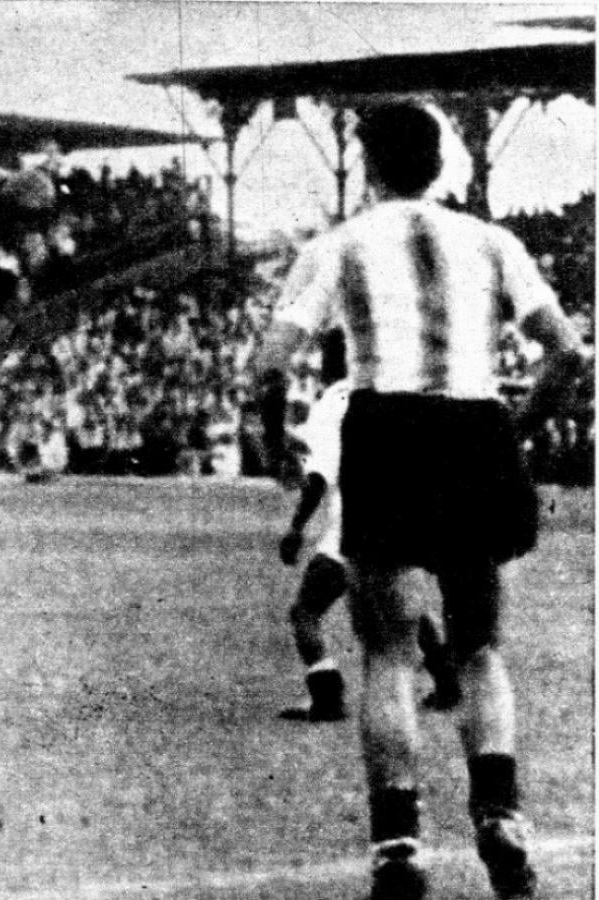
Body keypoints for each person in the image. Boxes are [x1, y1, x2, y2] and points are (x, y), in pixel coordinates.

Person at [253, 103, 584, 900]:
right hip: (473, 427)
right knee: (477, 647)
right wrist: (516, 429)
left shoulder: (338, 245)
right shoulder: (493, 242)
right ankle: (498, 812)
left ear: (368, 166)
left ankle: (398, 842)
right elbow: (569, 355)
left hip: (389, 428)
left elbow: (270, 365)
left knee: (390, 650)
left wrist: (273, 446)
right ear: (439, 165)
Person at [278, 378, 460, 722]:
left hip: (354, 524)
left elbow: (320, 473)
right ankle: (448, 681)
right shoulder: (398, 385)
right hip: (402, 520)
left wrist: (296, 528)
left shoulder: (336, 398)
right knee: (403, 601)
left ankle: (327, 694)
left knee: (305, 611)